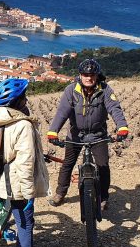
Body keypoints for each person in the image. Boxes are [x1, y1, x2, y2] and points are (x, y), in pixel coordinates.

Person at [0, 78, 50, 247]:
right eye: (23, 97)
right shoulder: (23, 126)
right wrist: (29, 193)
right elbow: (25, 164)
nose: (26, 99)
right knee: (25, 222)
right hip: (14, 184)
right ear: (16, 102)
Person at [46, 59, 129, 210]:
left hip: (98, 135)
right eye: (85, 74)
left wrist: (122, 127)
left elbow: (114, 109)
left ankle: (103, 196)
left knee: (103, 166)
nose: (89, 78)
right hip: (75, 135)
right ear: (80, 75)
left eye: (92, 75)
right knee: (67, 164)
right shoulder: (71, 90)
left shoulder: (105, 90)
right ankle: (60, 193)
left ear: (97, 75)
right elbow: (62, 112)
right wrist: (53, 131)